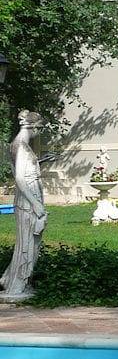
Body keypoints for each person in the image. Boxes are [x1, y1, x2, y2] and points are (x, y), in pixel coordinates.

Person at [0, 111, 46, 298]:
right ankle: (16, 287)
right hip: (28, 201)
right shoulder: (21, 145)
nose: (39, 132)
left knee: (28, 242)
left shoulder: (18, 144)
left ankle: (8, 279)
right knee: (28, 245)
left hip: (28, 198)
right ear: (33, 126)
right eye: (40, 128)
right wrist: (35, 203)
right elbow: (19, 177)